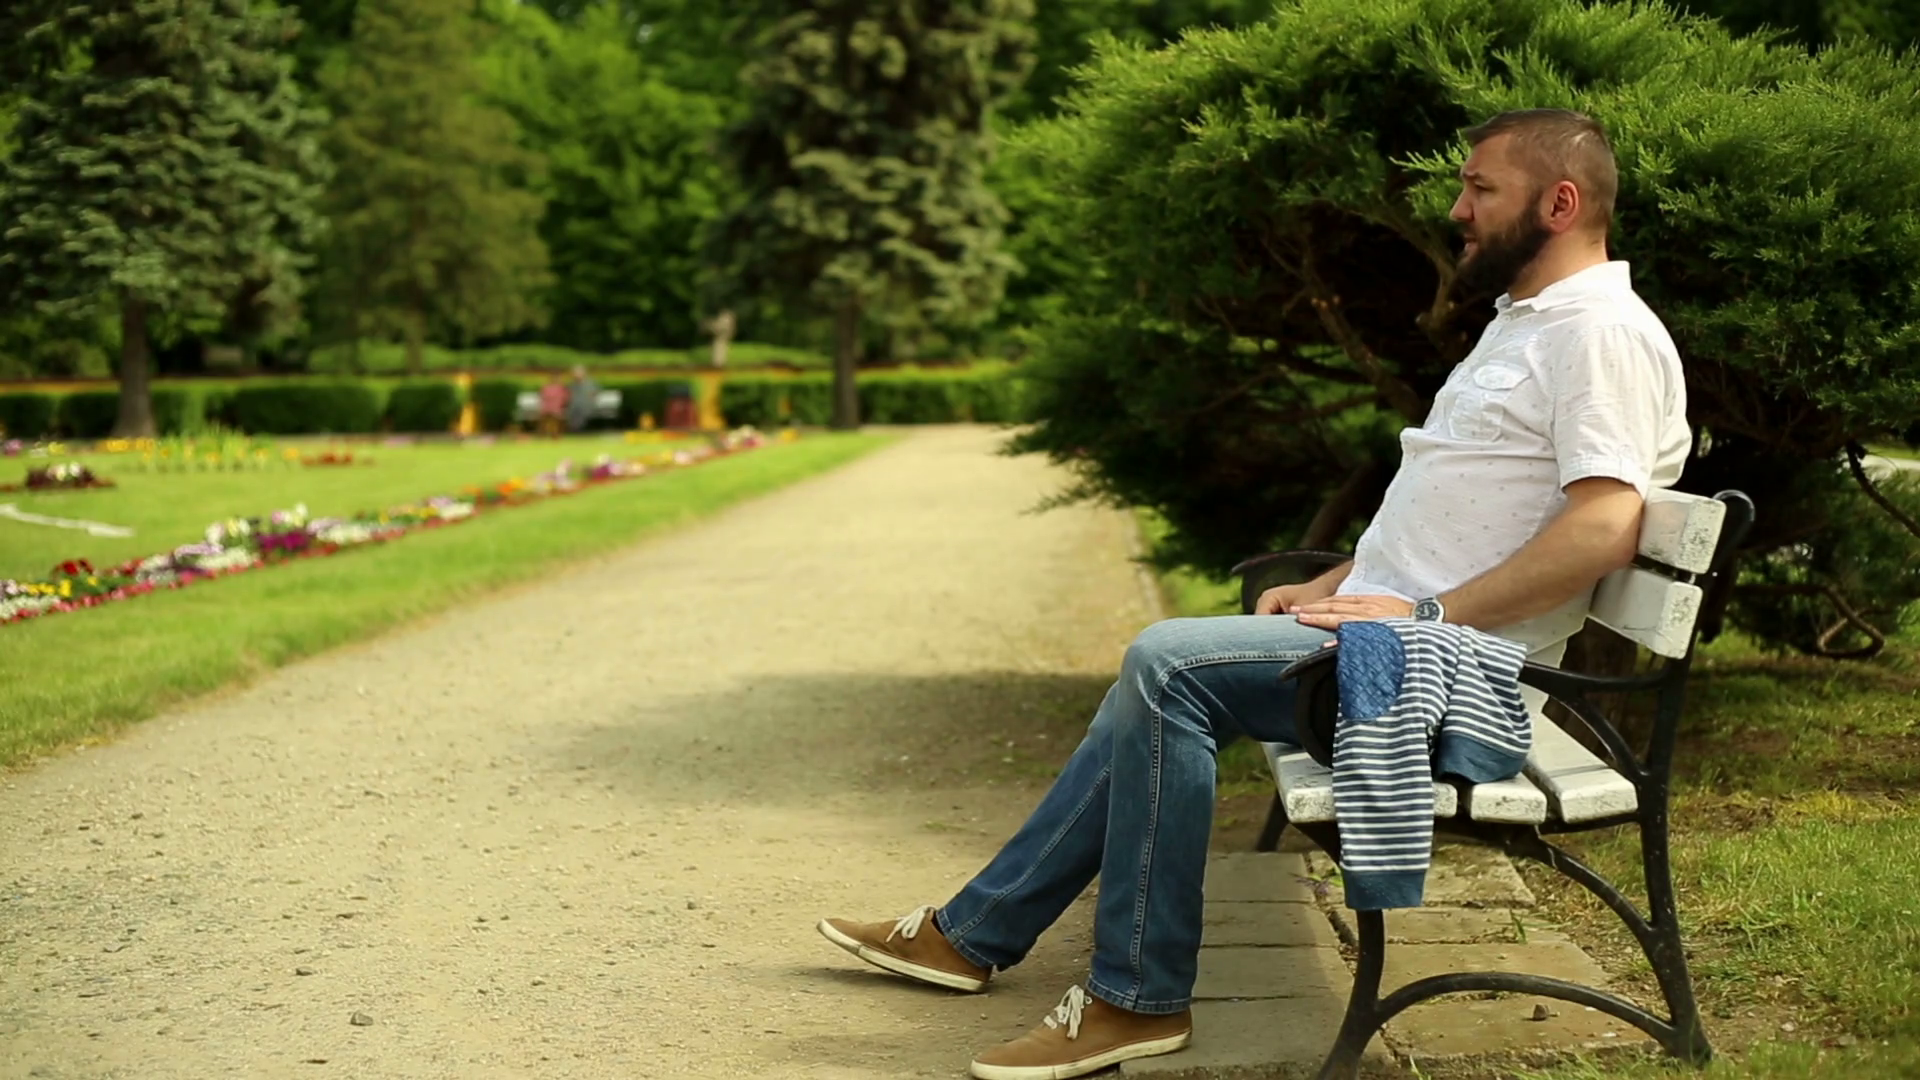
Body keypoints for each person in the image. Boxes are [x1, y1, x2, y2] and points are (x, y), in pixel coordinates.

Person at [817, 109, 1692, 1080]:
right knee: (1156, 683)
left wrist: (1423, 614)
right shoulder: (1530, 325)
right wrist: (1339, 580)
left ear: (1560, 202)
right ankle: (972, 936)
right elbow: (1460, 510)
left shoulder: (1601, 335)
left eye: (1480, 188)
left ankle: (1132, 999)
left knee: (1166, 665)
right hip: (1391, 643)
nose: (1458, 209)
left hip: (1453, 675)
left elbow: (1606, 523)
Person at [566, 364, 600, 434]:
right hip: (574, 406)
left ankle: (576, 428)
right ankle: (576, 428)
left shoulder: (591, 383)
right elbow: (568, 395)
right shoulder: (571, 384)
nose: (576, 375)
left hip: (587, 404)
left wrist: (590, 399)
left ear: (584, 373)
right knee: (574, 408)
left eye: (578, 373)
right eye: (574, 373)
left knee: (580, 408)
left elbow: (594, 394)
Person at [538, 372, 567, 439]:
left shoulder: (561, 387)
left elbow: (564, 398)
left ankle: (555, 435)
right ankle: (543, 434)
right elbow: (543, 396)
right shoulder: (546, 387)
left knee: (555, 418)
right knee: (545, 418)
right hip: (547, 408)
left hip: (556, 408)